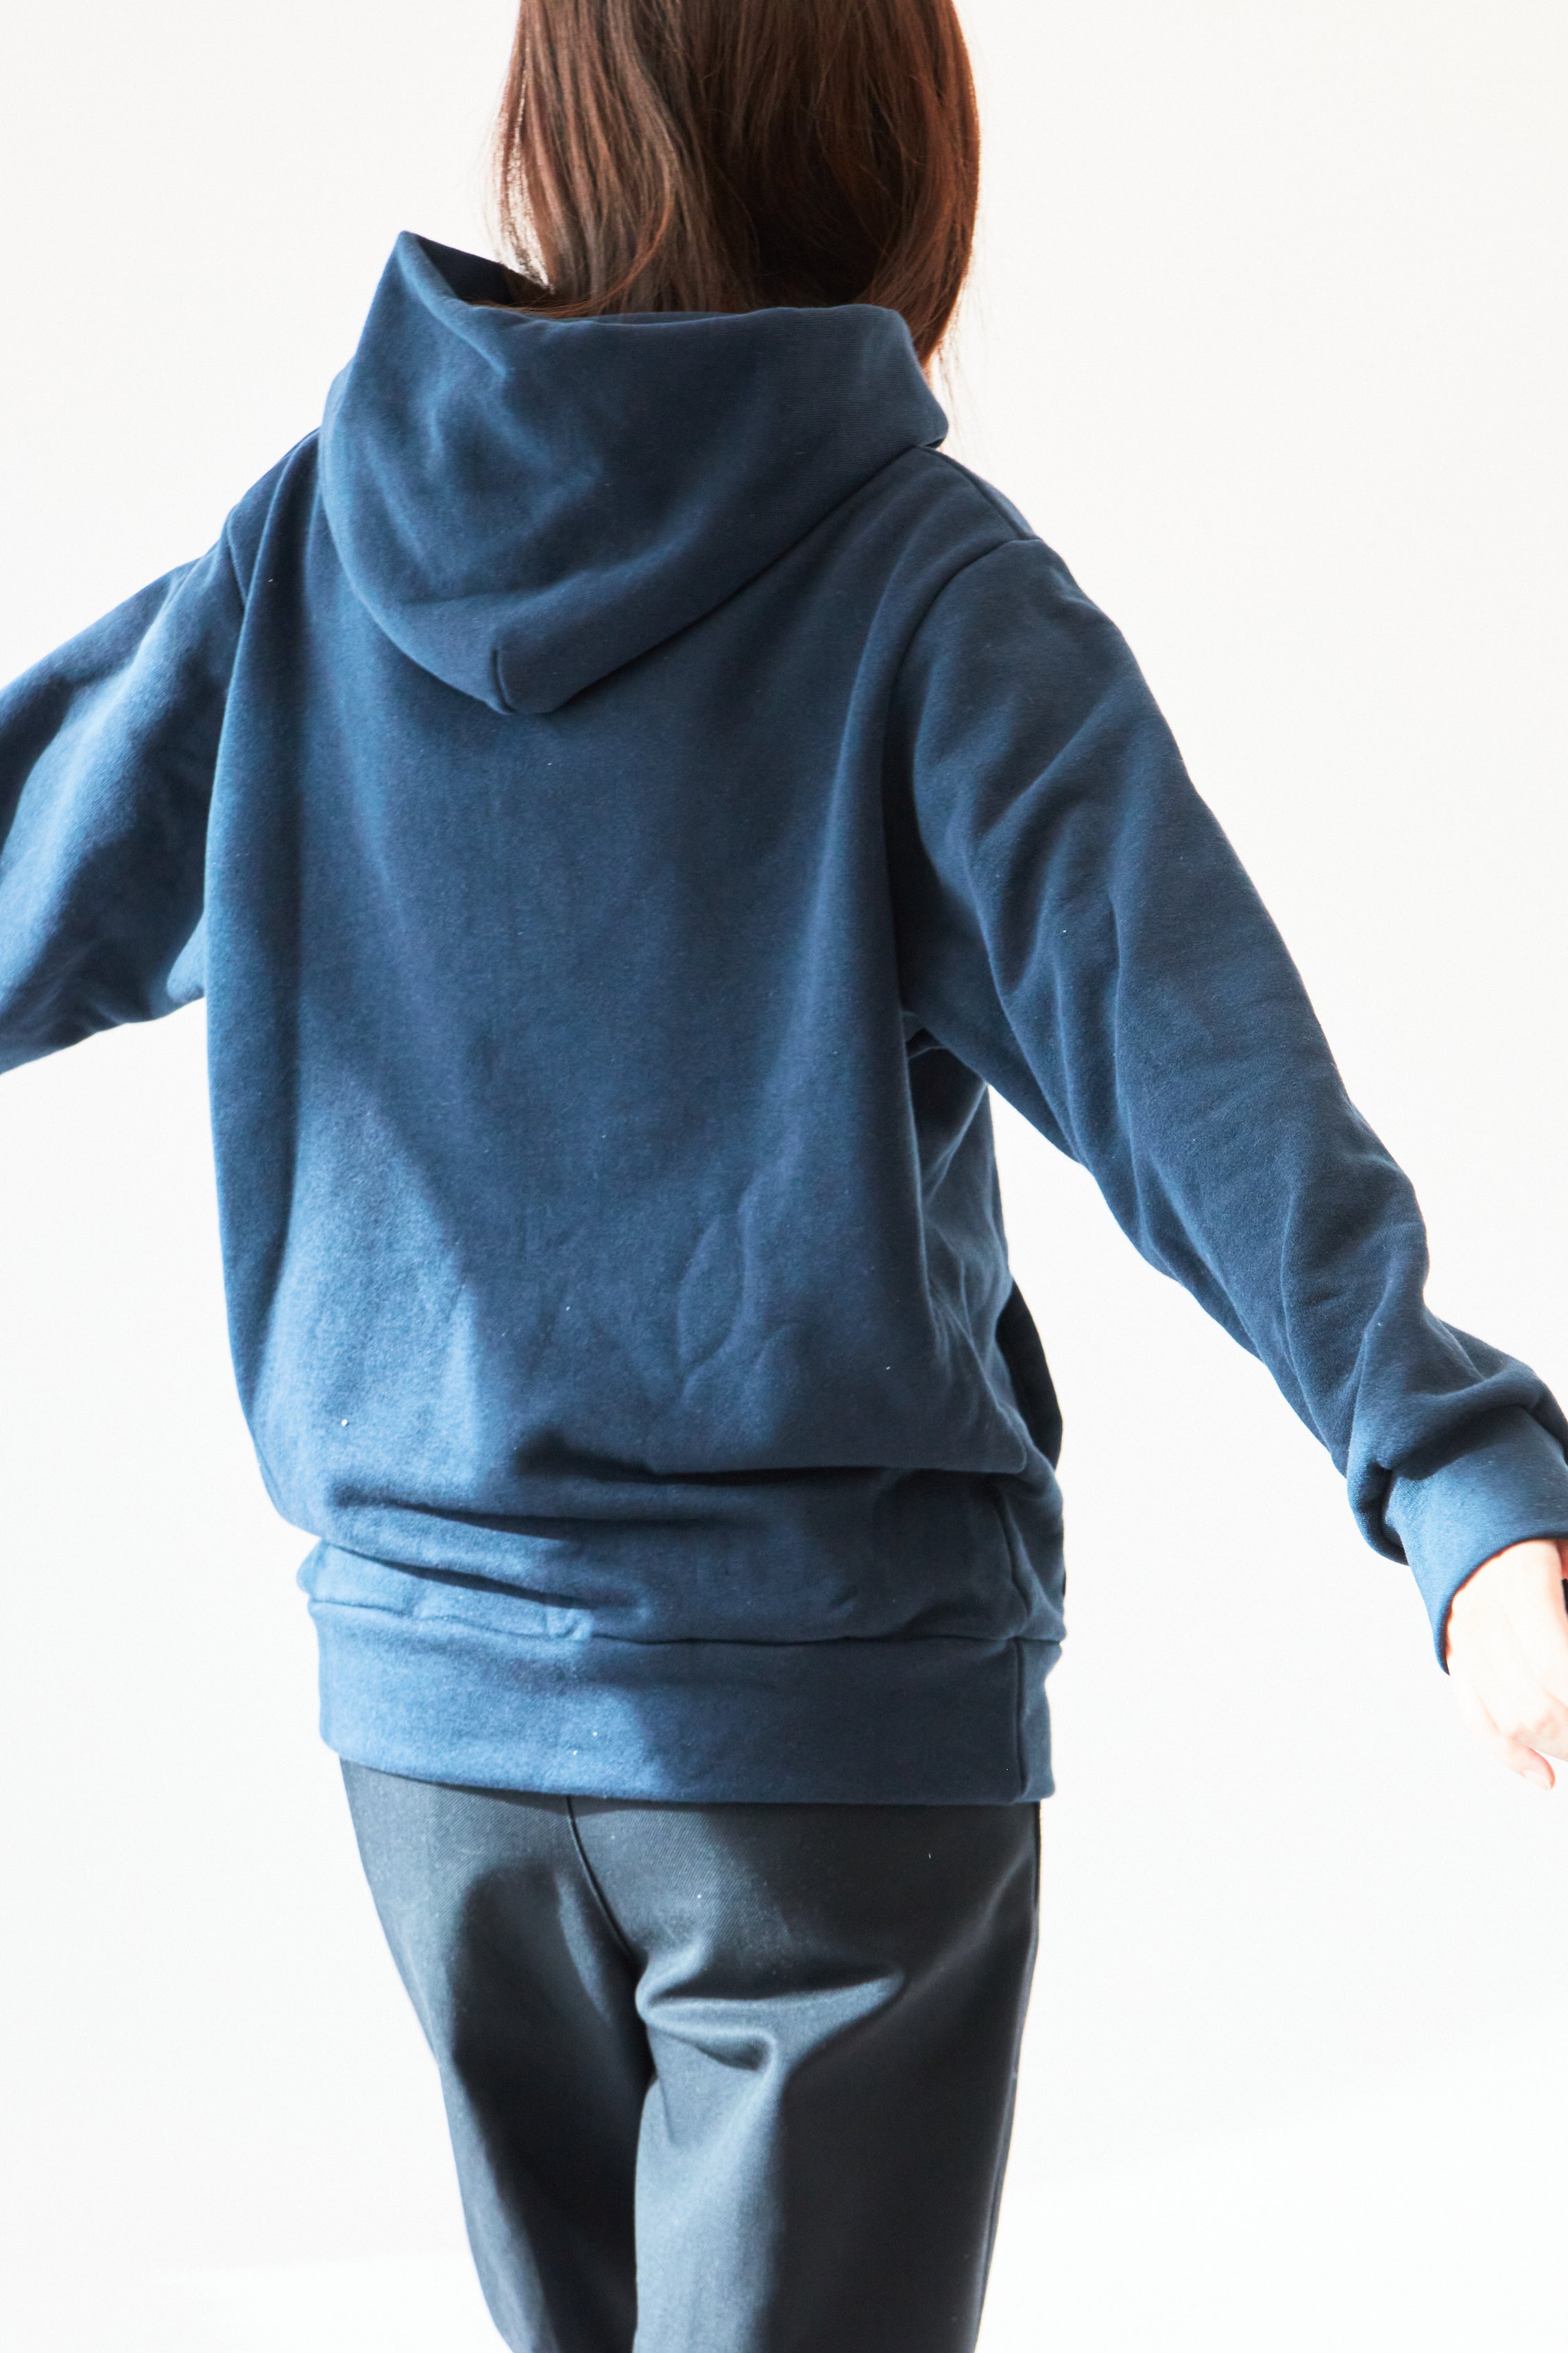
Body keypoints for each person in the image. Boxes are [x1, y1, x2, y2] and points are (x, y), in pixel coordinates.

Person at [3, 1, 1567, 2346]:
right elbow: (1197, 1069)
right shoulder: (925, 592)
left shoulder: (321, 536)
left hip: (432, 1744)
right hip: (817, 1757)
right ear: (899, 149)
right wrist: (1460, 1484)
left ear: (559, 125)